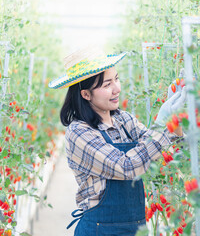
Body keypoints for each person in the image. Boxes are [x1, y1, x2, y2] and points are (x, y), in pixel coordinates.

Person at [48, 46, 186, 236]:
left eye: (117, 79)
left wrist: (174, 120)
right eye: (107, 85)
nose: (117, 89)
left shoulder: (124, 120)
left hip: (135, 228)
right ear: (86, 94)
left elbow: (158, 149)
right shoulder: (79, 132)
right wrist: (162, 122)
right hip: (99, 230)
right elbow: (127, 167)